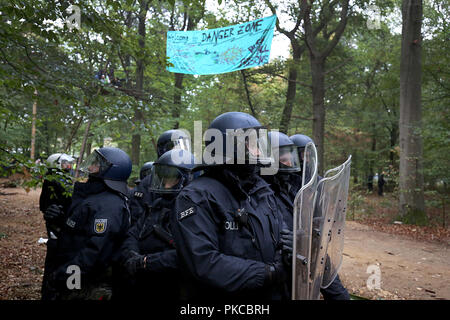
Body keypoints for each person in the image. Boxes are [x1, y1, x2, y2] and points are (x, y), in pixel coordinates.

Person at [170, 111, 289, 300]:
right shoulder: (196, 196)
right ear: (231, 146)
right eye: (252, 143)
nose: (259, 150)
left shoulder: (261, 189)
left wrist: (290, 247)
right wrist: (269, 273)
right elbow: (203, 262)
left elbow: (279, 232)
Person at [48, 147, 132, 300]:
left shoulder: (110, 206)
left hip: (88, 281)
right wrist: (59, 220)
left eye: (96, 164)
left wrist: (64, 274)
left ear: (111, 171)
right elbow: (79, 232)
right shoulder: (93, 195)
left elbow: (95, 252)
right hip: (75, 273)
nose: (91, 167)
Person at [114, 149, 196, 300]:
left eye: (170, 178)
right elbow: (134, 232)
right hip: (141, 280)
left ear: (187, 178)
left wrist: (147, 262)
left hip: (171, 286)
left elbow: (191, 254)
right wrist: (131, 253)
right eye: (161, 177)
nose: (164, 184)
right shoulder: (157, 203)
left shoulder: (195, 210)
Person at [289, 133, 350, 300]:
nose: (306, 159)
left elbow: (325, 216)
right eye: (302, 154)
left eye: (309, 154)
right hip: (292, 247)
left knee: (336, 292)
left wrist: (320, 233)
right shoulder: (283, 182)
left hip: (314, 245)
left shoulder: (319, 183)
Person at [128, 130, 192, 226]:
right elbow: (137, 220)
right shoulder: (147, 183)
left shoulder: (193, 175)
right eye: (176, 147)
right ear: (163, 150)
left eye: (184, 146)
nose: (181, 151)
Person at [40, 153, 75, 300]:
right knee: (54, 264)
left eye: (70, 163)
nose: (69, 166)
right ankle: (49, 294)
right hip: (57, 232)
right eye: (66, 163)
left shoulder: (67, 179)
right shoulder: (51, 181)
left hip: (68, 230)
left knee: (70, 264)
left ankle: (68, 291)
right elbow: (44, 205)